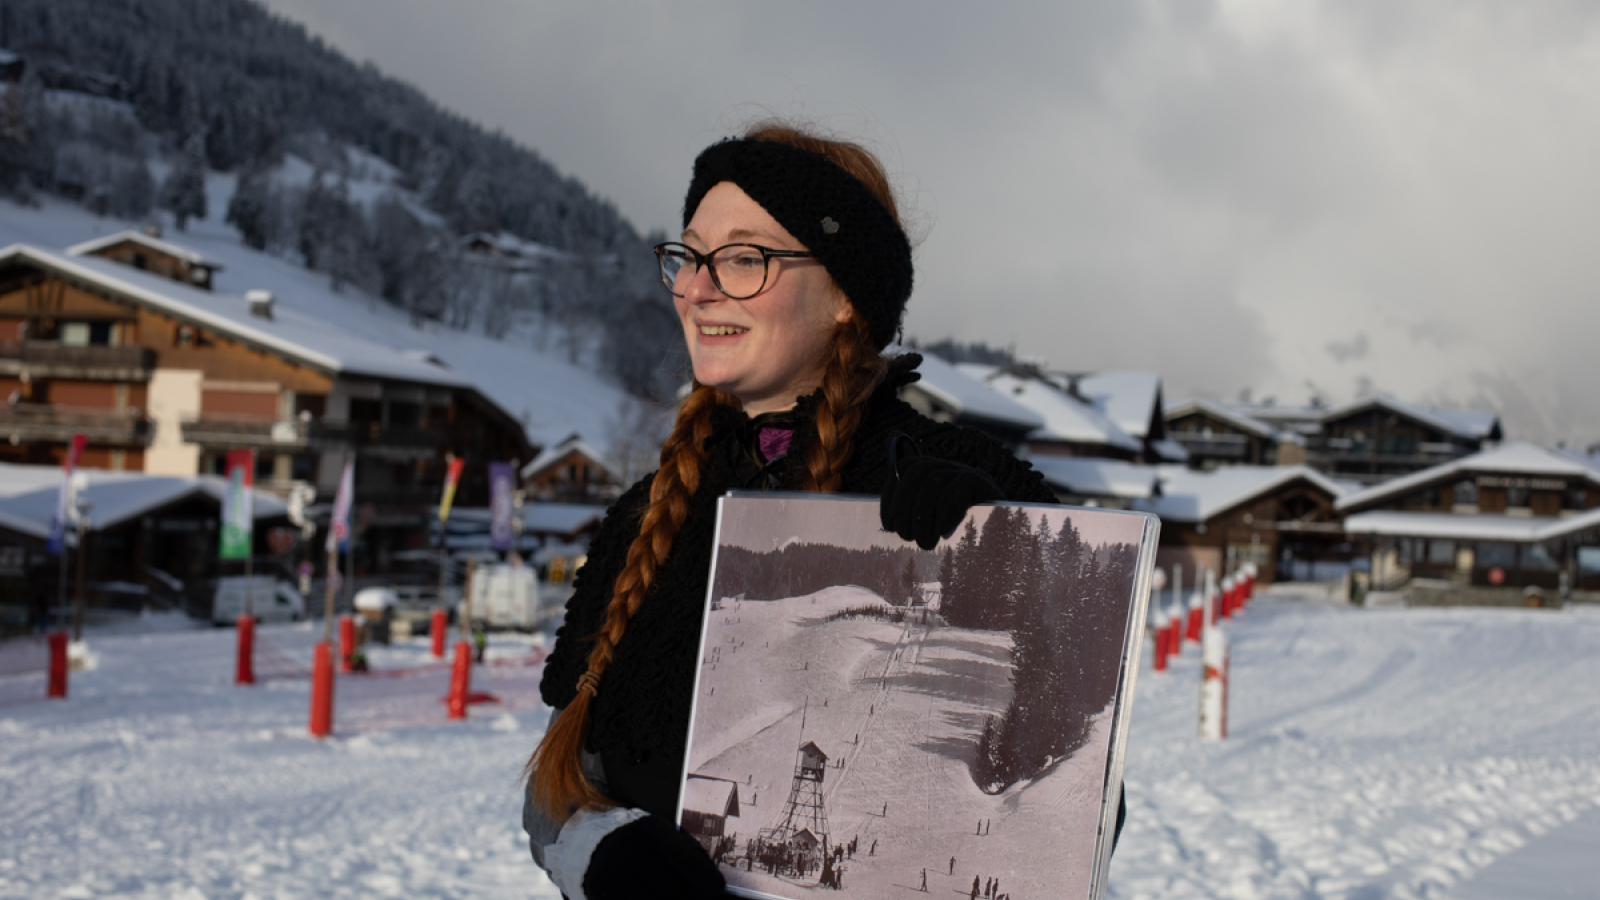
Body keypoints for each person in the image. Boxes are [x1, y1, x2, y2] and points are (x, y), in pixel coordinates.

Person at [521, 122, 1099, 900]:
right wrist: (602, 855)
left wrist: (1003, 550)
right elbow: (555, 790)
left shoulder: (974, 484)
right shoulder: (648, 513)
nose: (696, 288)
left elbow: (1084, 808)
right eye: (689, 256)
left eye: (743, 258)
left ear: (844, 300)